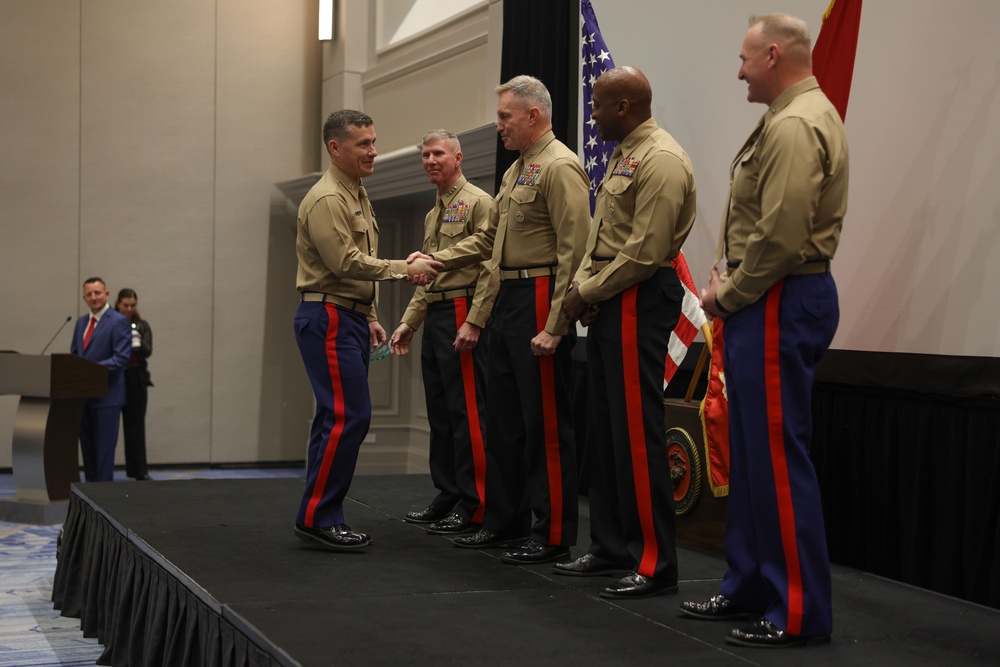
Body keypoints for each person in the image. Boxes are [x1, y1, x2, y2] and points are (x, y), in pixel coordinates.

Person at [681, 14, 848, 648]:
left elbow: (779, 236)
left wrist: (729, 294)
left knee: (777, 460)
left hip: (778, 298)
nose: (740, 70)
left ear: (773, 54)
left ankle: (799, 611)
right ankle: (750, 585)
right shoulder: (786, 117)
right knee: (753, 457)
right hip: (767, 301)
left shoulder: (799, 123)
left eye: (746, 58)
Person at [412, 75, 590, 564]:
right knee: (506, 422)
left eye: (505, 117)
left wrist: (557, 323)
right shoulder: (516, 172)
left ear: (533, 115)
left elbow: (575, 252)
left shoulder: (560, 166)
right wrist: (478, 318)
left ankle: (552, 532)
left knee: (546, 424)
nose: (498, 126)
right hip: (508, 298)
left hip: (540, 293)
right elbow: (493, 255)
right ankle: (504, 521)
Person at [557, 66, 697, 599]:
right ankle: (612, 547)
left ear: (623, 107)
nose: (590, 116)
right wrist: (589, 288)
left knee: (638, 435)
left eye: (596, 106)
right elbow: (602, 237)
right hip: (615, 299)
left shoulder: (660, 158)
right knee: (610, 430)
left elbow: (644, 251)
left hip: (639, 297)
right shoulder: (624, 153)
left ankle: (655, 562)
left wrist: (585, 294)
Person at [293, 109, 443, 552]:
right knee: (348, 417)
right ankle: (320, 517)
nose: (373, 151)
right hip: (328, 318)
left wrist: (371, 314)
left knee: (334, 418)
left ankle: (315, 514)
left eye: (374, 141)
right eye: (363, 144)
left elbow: (352, 265)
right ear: (335, 148)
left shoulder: (355, 192)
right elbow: (344, 263)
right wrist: (405, 268)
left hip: (347, 316)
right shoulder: (328, 198)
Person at [391, 131, 497, 536]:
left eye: (438, 154)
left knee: (468, 414)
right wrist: (408, 321)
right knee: (440, 413)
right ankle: (449, 493)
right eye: (425, 155)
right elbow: (427, 276)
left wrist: (475, 319)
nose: (430, 160)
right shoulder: (433, 214)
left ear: (458, 157)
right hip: (436, 313)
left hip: (461, 311)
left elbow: (490, 265)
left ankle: (477, 503)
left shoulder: (479, 202)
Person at [70, 277, 131, 482]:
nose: (94, 297)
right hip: (83, 398)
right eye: (89, 294)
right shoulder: (80, 323)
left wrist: (90, 369)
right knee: (88, 452)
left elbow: (121, 358)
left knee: (104, 453)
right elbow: (75, 355)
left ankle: (104, 501)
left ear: (107, 294)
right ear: (84, 297)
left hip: (107, 397)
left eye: (98, 293)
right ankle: (90, 498)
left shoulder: (118, 321)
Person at [115, 288, 154, 481]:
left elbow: (148, 351)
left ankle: (139, 471)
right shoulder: (111, 323)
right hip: (114, 376)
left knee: (136, 426)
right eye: (125, 305)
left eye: (132, 305)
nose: (129, 309)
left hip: (135, 377)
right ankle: (103, 472)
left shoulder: (141, 324)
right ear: (118, 304)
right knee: (109, 426)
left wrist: (137, 339)